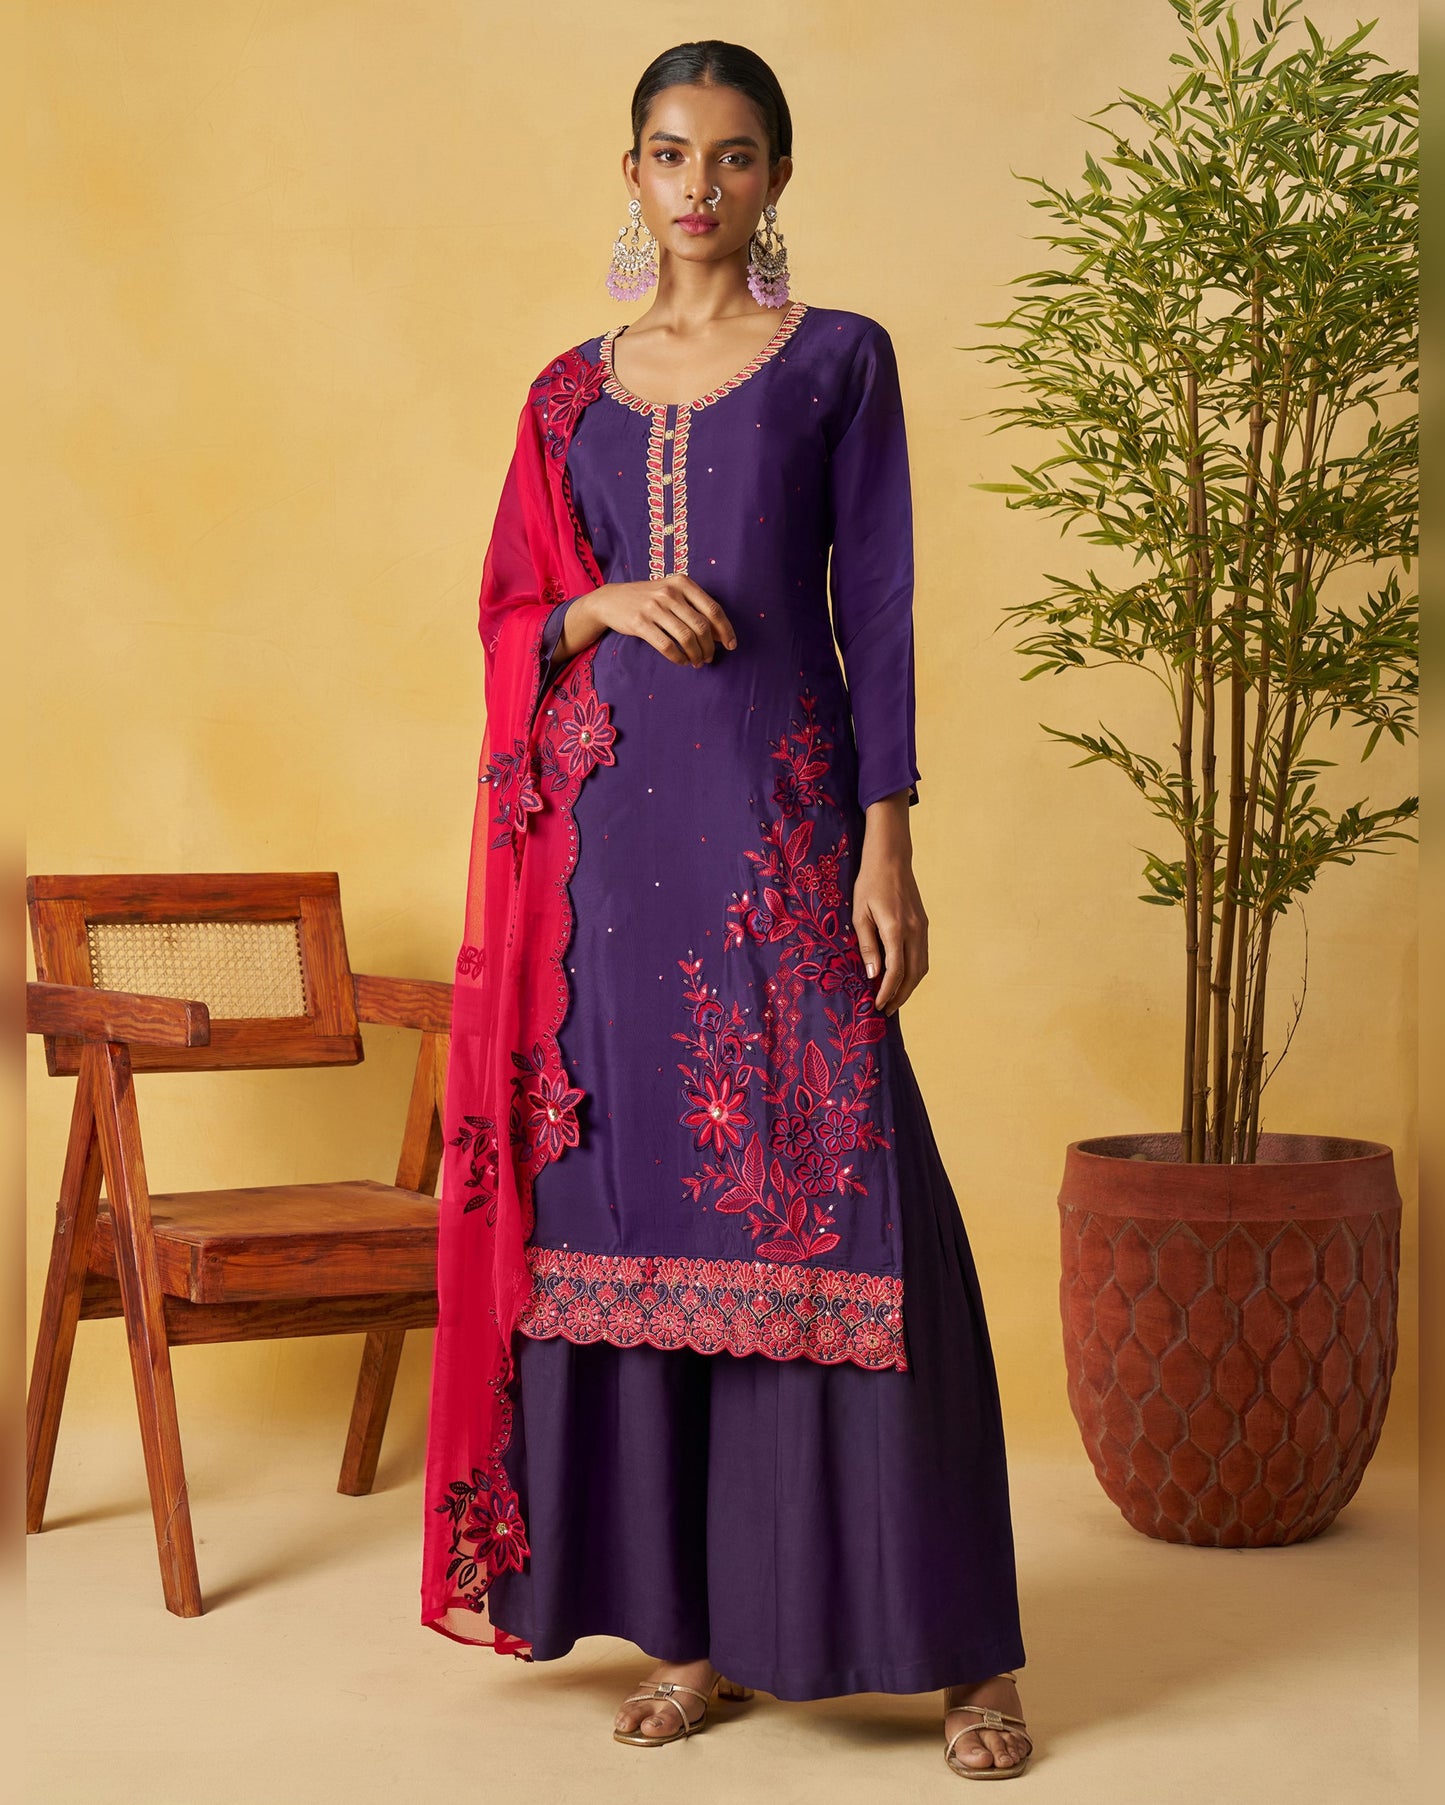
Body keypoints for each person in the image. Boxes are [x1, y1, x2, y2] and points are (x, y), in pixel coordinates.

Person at [421, 38, 1036, 1782]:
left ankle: (964, 1649)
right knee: (631, 1235)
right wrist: (600, 595)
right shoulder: (564, 393)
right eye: (669, 154)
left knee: (852, 1215)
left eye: (736, 156)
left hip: (780, 833)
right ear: (629, 175)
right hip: (609, 862)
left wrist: (886, 843)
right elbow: (503, 614)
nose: (699, 186)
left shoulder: (838, 361)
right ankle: (690, 1638)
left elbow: (884, 608)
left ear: (778, 179)